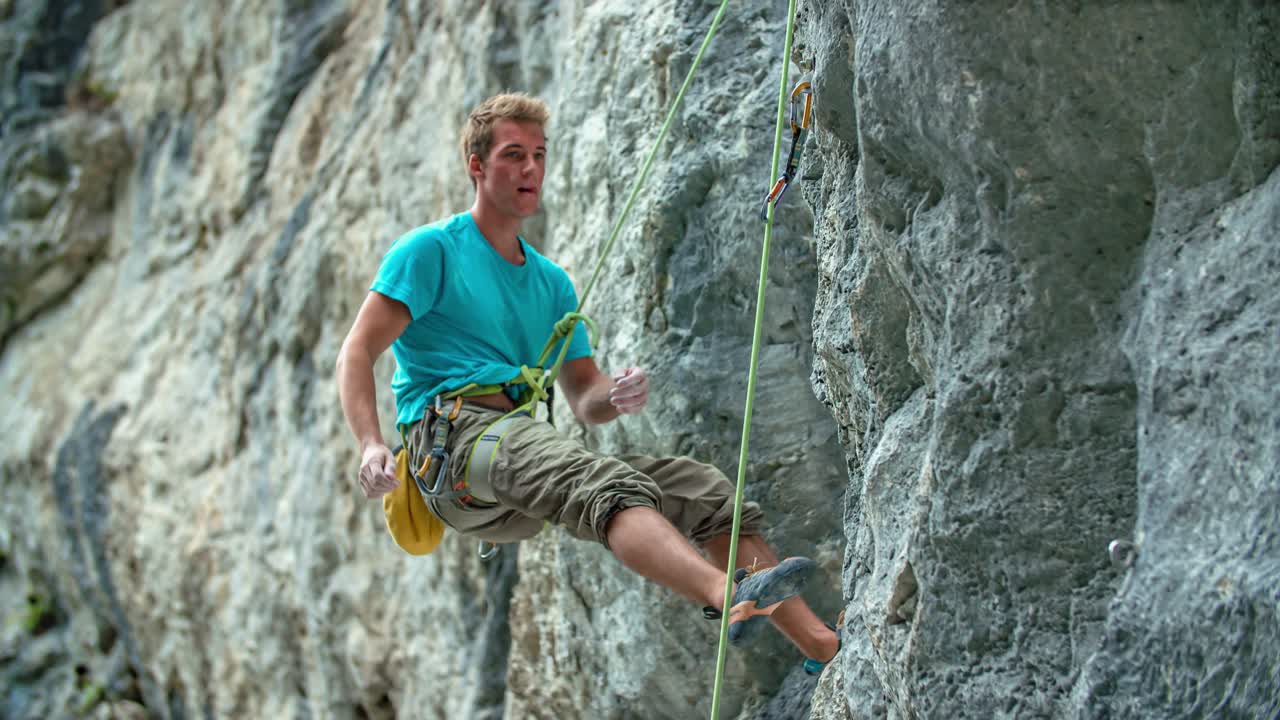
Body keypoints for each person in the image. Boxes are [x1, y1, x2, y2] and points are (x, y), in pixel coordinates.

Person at [335, 93, 840, 670]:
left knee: (703, 491)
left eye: (539, 155)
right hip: (453, 444)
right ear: (477, 166)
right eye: (513, 154)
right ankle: (726, 596)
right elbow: (358, 349)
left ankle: (821, 644)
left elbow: (583, 397)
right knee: (600, 483)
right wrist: (371, 441)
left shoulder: (552, 284)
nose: (530, 169)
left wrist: (614, 395)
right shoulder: (430, 252)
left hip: (511, 456)